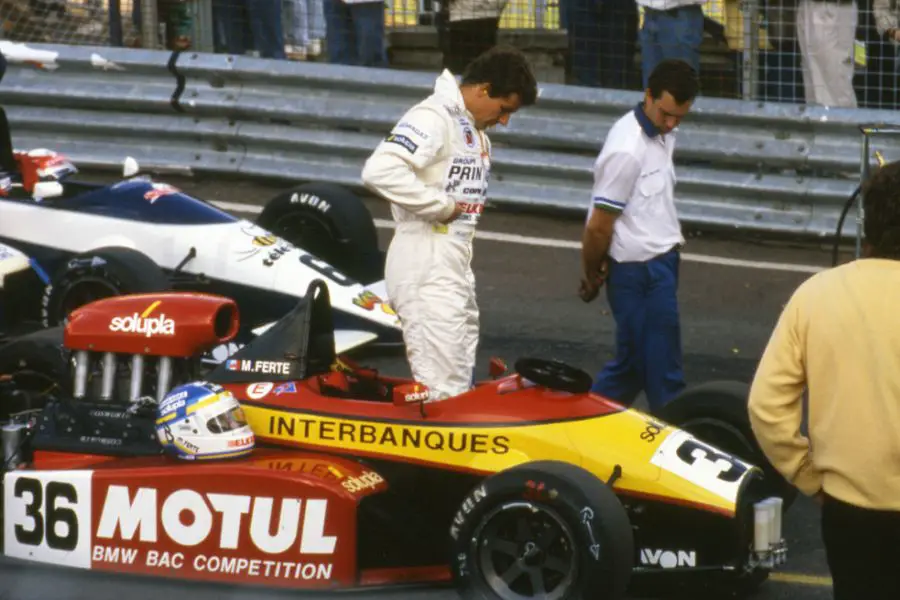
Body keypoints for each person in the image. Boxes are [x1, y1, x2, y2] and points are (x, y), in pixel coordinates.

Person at [747, 160, 900, 599]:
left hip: (850, 510)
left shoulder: (816, 294)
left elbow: (765, 406)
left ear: (867, 225)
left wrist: (808, 476)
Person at [361, 46, 538, 401]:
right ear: (483, 89)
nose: (504, 121)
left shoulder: (469, 128)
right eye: (504, 110)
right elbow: (378, 170)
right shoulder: (434, 117)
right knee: (443, 393)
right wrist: (440, 206)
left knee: (457, 382)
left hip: (451, 260)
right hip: (424, 258)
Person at [579, 58, 699, 413]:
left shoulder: (662, 130)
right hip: (640, 273)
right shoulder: (627, 149)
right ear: (647, 95)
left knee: (630, 370)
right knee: (665, 378)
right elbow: (599, 224)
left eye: (680, 116)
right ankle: (678, 452)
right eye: (666, 114)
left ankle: (581, 429)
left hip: (659, 264)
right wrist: (590, 272)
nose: (672, 123)